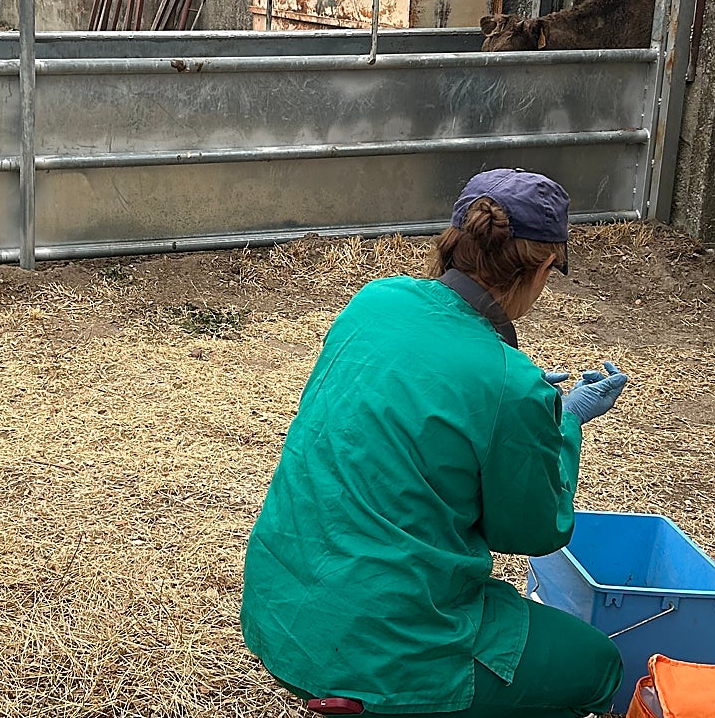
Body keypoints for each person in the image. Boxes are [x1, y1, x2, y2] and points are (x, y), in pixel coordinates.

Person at [240, 168, 629, 718]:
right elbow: (535, 531)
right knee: (596, 666)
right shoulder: (511, 384)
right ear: (542, 266)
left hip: (284, 614)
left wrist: (525, 411)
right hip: (389, 643)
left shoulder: (375, 301)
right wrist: (561, 423)